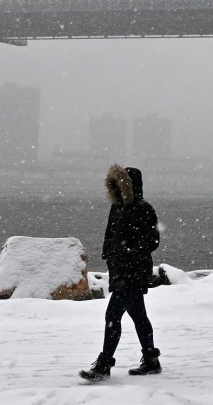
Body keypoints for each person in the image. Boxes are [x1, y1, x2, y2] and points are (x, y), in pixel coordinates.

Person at [80, 164, 162, 382]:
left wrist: (129, 251)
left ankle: (104, 365)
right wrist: (108, 253)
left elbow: (153, 241)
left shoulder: (144, 208)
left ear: (130, 185)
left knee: (112, 316)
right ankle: (151, 360)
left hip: (133, 272)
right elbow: (110, 235)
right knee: (139, 316)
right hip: (120, 271)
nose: (117, 188)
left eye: (121, 184)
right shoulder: (117, 207)